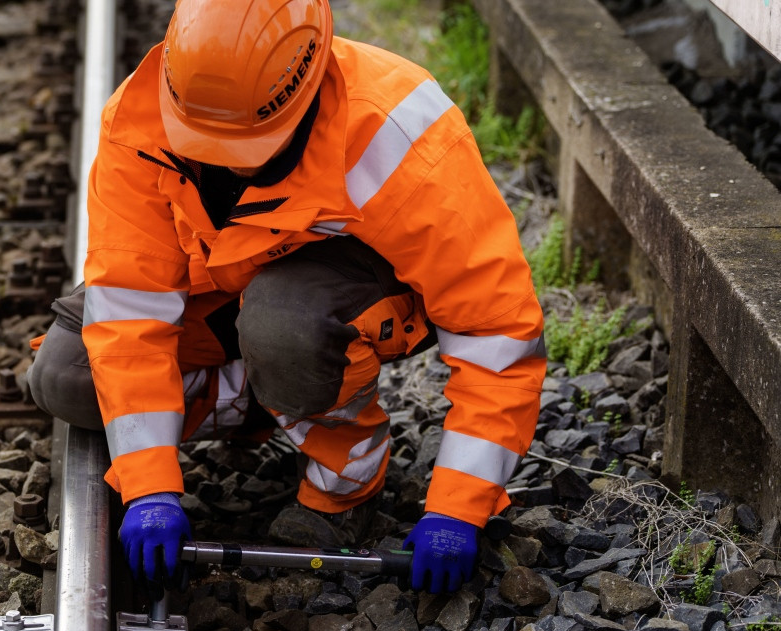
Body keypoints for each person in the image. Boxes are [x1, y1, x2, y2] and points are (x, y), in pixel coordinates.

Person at [27, 0, 545, 594]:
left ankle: (344, 479)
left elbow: (497, 334)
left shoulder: (398, 128)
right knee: (69, 375)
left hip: (332, 304)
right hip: (225, 287)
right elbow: (129, 312)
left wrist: (458, 509)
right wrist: (148, 485)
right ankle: (271, 399)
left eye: (243, 149)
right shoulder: (139, 122)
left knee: (283, 326)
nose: (219, 162)